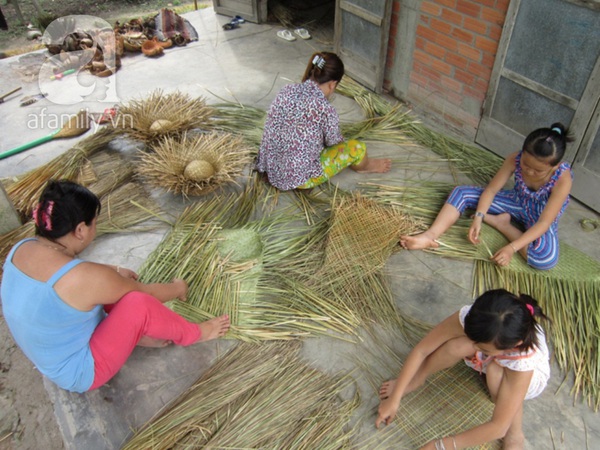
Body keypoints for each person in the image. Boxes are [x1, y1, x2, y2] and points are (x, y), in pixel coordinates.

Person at [1, 180, 230, 393]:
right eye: (94, 223)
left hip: (51, 354)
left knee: (113, 289)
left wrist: (114, 272)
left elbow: (69, 272)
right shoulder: (85, 277)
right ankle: (196, 334)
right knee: (137, 303)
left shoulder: (23, 247)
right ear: (80, 230)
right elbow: (145, 294)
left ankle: (133, 335)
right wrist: (178, 288)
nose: (95, 229)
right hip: (79, 372)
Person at [376, 289, 550, 449]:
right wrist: (396, 397)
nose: (474, 346)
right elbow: (423, 350)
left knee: (495, 371)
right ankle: (417, 379)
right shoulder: (480, 317)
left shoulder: (523, 360)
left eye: (482, 348)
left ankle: (515, 434)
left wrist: (439, 446)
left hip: (523, 379)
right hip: (495, 355)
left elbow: (498, 427)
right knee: (459, 345)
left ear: (513, 345)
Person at [400, 123, 573, 270]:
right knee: (461, 192)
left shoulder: (562, 180)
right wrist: (479, 217)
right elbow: (491, 191)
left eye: (538, 170)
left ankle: (502, 224)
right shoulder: (515, 158)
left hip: (540, 218)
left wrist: (511, 248)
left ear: (555, 165)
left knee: (545, 259)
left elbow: (544, 223)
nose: (529, 171)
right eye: (526, 164)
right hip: (515, 201)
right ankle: (429, 236)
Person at [256, 51, 391, 191]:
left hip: (270, 168)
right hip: (298, 178)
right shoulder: (325, 109)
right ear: (333, 84)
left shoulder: (287, 90)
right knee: (356, 148)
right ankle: (365, 166)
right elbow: (334, 143)